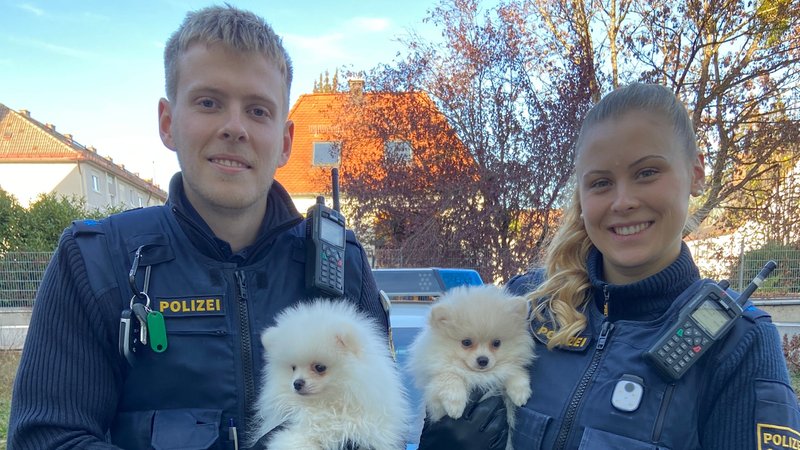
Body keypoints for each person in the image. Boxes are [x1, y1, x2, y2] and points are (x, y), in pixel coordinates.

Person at [7, 5, 386, 449]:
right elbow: (47, 439)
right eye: (209, 103)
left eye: (258, 110)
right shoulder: (94, 263)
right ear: (168, 123)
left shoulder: (343, 267)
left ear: (285, 142)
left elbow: (383, 425)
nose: (234, 128)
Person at [417, 83, 800, 449]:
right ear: (582, 196)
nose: (623, 201)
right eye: (600, 182)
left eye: (647, 172)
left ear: (697, 172)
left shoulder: (738, 343)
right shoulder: (525, 307)